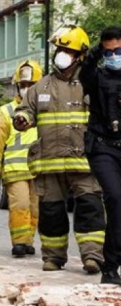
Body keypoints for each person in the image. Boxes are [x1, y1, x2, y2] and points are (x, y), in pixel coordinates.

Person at [13, 25, 105, 273]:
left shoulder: (92, 84)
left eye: (66, 50)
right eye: (59, 49)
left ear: (80, 56)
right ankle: (53, 257)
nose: (60, 54)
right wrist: (22, 118)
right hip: (49, 162)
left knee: (90, 209)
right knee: (51, 213)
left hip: (84, 161)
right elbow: (24, 111)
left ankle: (93, 257)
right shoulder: (40, 87)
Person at [0, 60, 43, 257]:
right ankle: (18, 242)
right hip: (15, 168)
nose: (27, 89)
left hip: (38, 169)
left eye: (31, 85)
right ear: (18, 85)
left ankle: (28, 241)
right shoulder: (8, 110)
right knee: (21, 205)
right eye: (24, 85)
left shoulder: (44, 110)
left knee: (34, 209)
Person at [79, 26, 121, 284]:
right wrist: (97, 52)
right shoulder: (97, 77)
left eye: (119, 50)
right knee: (116, 198)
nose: (115, 55)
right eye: (110, 52)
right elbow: (84, 74)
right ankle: (110, 267)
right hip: (103, 147)